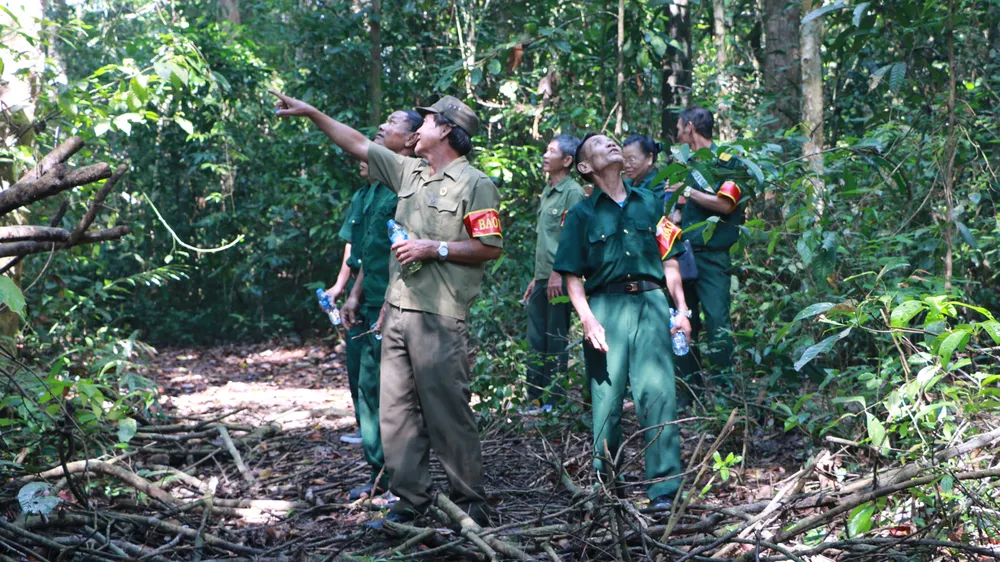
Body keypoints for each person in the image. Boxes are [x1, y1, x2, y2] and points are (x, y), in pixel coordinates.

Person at [271, 90, 502, 526]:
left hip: (439, 316)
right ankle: (410, 502)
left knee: (447, 410)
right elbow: (358, 143)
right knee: (395, 413)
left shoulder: (476, 183)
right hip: (395, 312)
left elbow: (489, 247)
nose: (419, 126)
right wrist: (312, 112)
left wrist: (435, 248)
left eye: (428, 121)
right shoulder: (409, 172)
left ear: (447, 131)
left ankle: (470, 502)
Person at [553, 133, 693, 509]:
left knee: (659, 397)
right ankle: (607, 489)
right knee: (606, 403)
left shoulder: (649, 202)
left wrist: (681, 310)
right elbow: (571, 275)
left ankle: (663, 490)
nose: (612, 144)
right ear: (584, 167)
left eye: (613, 141)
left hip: (650, 303)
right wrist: (586, 320)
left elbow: (670, 259)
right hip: (604, 308)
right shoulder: (581, 214)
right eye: (600, 144)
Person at [340, 109, 423, 501]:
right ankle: (379, 476)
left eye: (392, 122)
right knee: (365, 389)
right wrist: (354, 295)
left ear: (410, 140)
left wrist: (391, 300)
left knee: (392, 397)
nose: (382, 127)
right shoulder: (375, 190)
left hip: (393, 306)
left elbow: (408, 254)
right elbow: (372, 251)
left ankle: (401, 481)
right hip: (369, 301)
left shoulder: (409, 184)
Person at [673, 106, 749, 376]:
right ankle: (688, 386)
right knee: (682, 319)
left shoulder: (727, 160)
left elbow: (726, 205)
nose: (678, 134)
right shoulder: (684, 165)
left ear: (690, 127)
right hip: (682, 255)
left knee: (717, 320)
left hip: (712, 256)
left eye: (680, 128)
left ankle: (723, 387)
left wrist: (688, 191)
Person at [522, 134, 585, 412]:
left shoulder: (573, 192)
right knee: (536, 339)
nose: (545, 155)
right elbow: (546, 240)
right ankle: (534, 398)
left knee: (555, 338)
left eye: (551, 151)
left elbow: (572, 238)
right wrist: (538, 276)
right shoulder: (548, 191)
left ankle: (554, 401)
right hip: (543, 277)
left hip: (559, 278)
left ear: (568, 160)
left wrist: (560, 272)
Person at [326, 192, 365, 445]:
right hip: (358, 292)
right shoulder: (361, 196)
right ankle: (365, 424)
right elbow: (351, 245)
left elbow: (376, 254)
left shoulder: (395, 189)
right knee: (356, 361)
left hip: (378, 289)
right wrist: (339, 286)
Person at [622, 134, 666, 200]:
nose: (626, 165)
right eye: (625, 160)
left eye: (631, 159)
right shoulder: (628, 183)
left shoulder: (658, 187)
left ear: (649, 158)